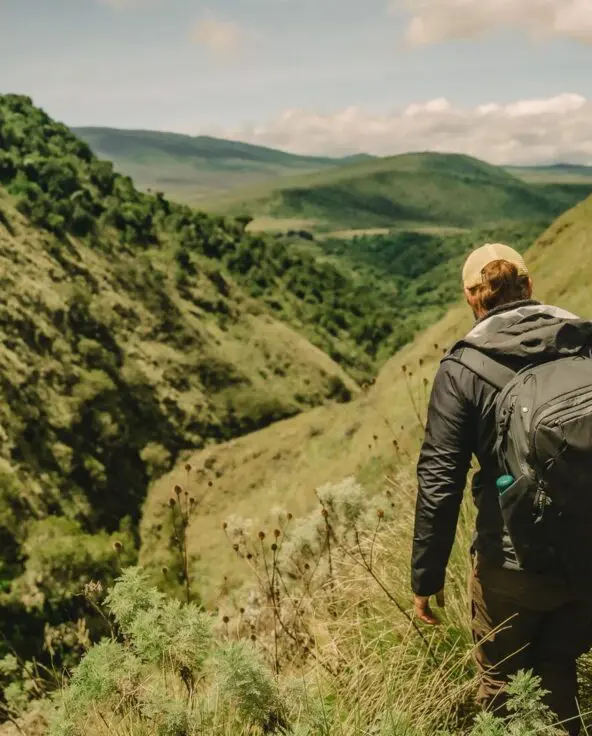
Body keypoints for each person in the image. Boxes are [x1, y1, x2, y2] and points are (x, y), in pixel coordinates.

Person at [410, 243, 592, 735]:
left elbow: (439, 479)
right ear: (529, 287)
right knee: (558, 672)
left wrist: (426, 579)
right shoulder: (583, 340)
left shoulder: (462, 369)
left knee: (501, 689)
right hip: (587, 555)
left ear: (473, 299)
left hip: (512, 565)